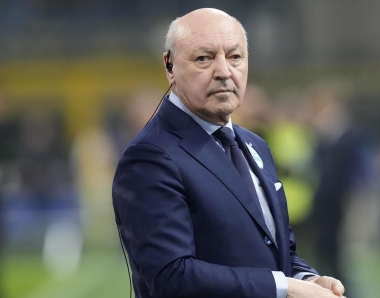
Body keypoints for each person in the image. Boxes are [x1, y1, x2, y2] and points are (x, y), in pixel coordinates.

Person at [112, 8, 345, 298]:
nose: (223, 71)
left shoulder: (255, 145)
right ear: (170, 66)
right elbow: (171, 277)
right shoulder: (151, 157)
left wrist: (306, 278)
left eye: (235, 57)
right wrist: (284, 287)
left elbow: (274, 249)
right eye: (204, 58)